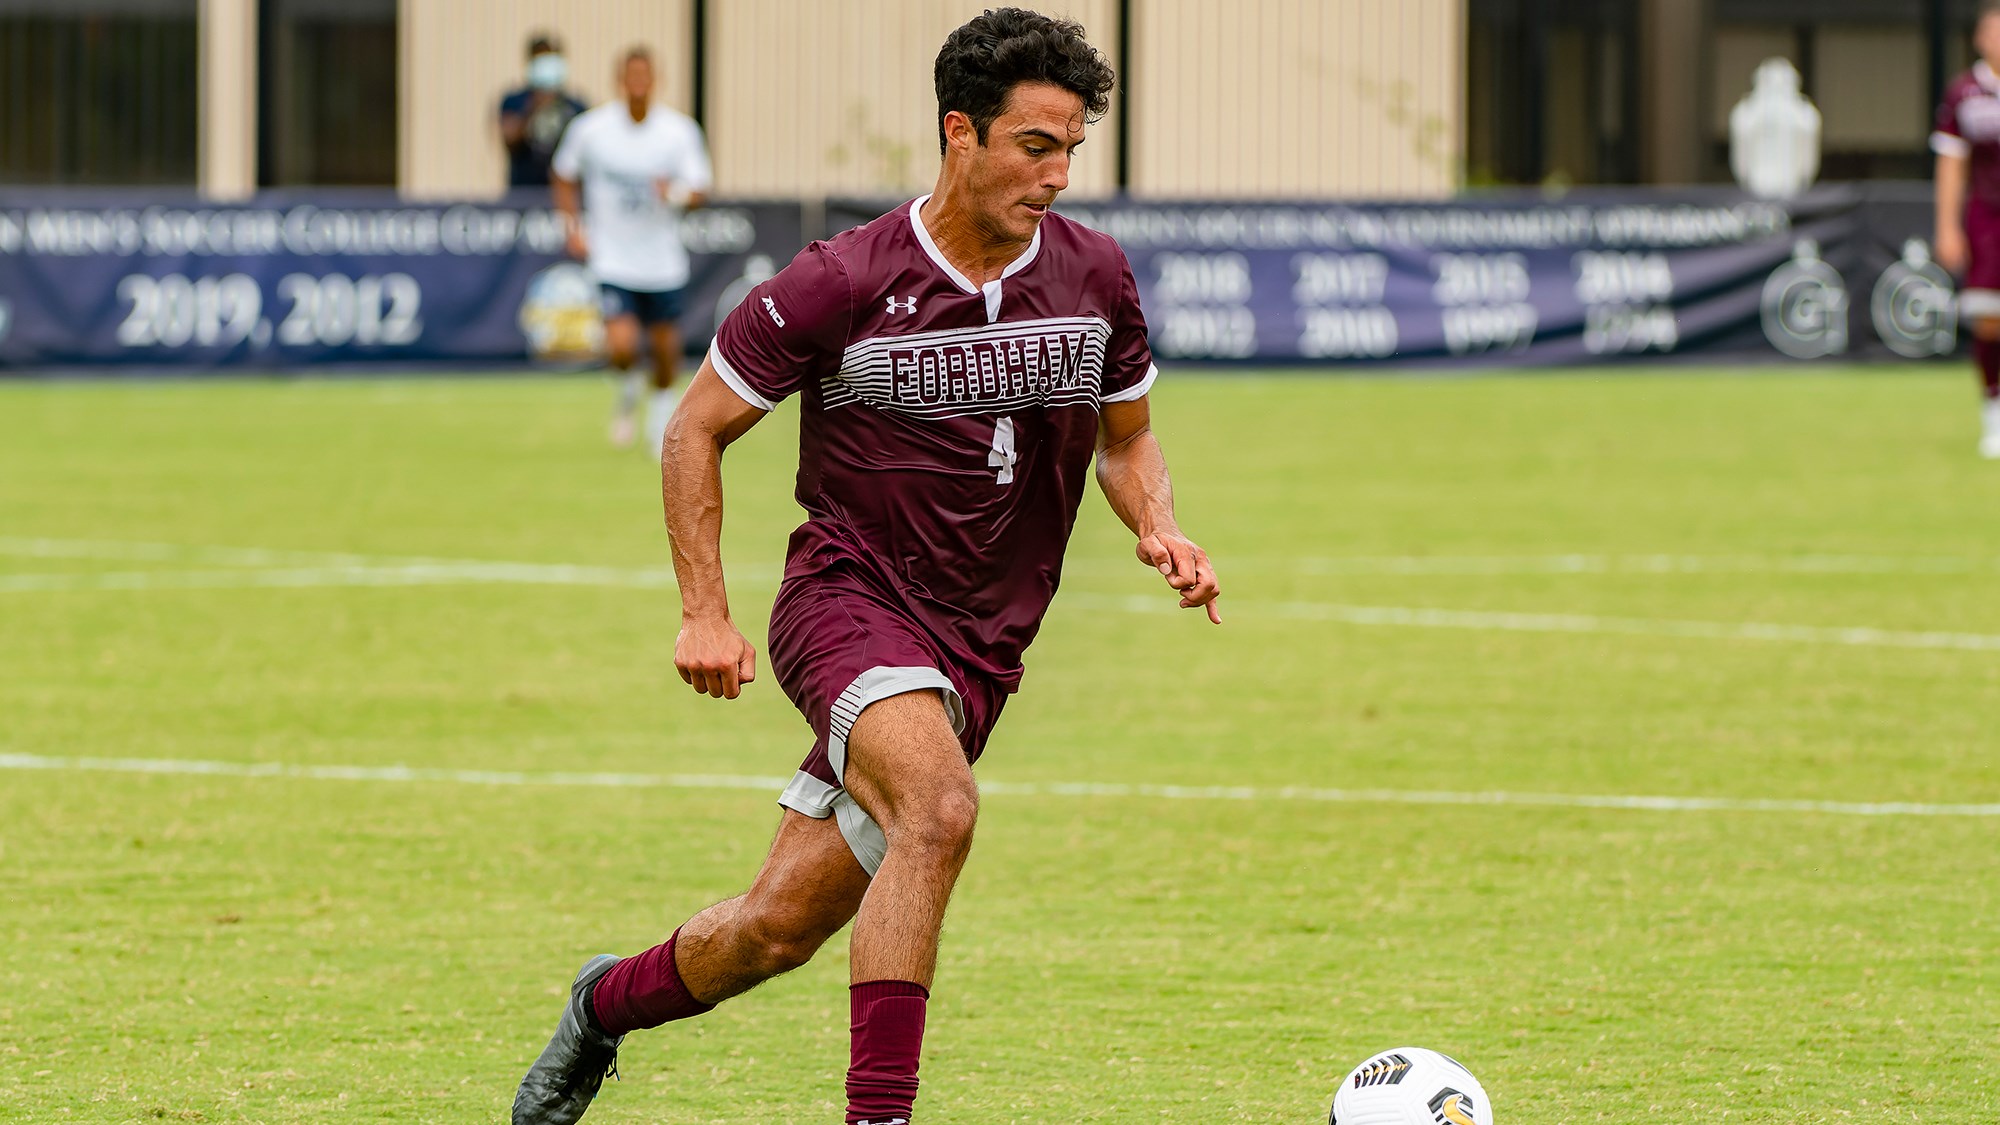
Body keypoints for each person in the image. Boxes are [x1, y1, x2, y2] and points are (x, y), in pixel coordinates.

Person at [512, 9, 1222, 1125]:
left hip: (979, 654)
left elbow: (1126, 437)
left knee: (772, 929)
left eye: (1072, 149)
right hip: (846, 605)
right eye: (1035, 145)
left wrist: (1158, 524)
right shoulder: (840, 281)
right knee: (937, 811)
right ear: (959, 133)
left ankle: (600, 1009)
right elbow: (693, 426)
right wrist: (705, 610)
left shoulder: (1093, 274)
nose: (1057, 173)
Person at [550, 46, 713, 456]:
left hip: (661, 259)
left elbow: (698, 191)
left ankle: (659, 417)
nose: (638, 83)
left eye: (645, 75)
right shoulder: (592, 129)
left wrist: (673, 193)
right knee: (621, 345)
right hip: (612, 257)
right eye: (631, 76)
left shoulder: (678, 131)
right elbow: (563, 173)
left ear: (654, 80)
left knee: (663, 351)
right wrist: (572, 226)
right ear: (620, 80)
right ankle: (626, 390)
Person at [1933, 0, 2000, 458]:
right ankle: (1994, 415)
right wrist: (1946, 227)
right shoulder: (1964, 94)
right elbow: (1951, 166)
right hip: (1986, 220)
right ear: (1979, 38)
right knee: (1990, 320)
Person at [499, 33, 587, 189]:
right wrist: (535, 105)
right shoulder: (514, 101)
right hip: (523, 192)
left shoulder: (575, 105)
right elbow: (510, 139)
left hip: (563, 192)